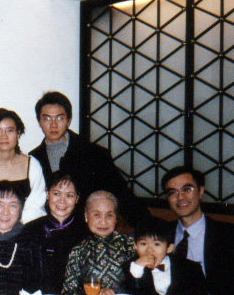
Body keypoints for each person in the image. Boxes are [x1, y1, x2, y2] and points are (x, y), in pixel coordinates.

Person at [28, 91, 149, 228]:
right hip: (51, 230)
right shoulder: (33, 158)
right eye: (47, 119)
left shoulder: (94, 153)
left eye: (60, 118)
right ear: (39, 122)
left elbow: (122, 194)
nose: (53, 125)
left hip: (89, 229)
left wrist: (148, 228)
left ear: (68, 121)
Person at [161, 166, 234, 295]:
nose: (180, 197)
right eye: (172, 192)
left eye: (187, 189)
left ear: (201, 191)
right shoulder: (162, 234)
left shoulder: (233, 237)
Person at [23, 171, 89, 294]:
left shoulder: (85, 233)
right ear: (47, 194)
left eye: (69, 195)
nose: (62, 201)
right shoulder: (30, 230)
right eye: (56, 194)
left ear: (77, 198)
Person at [123, 217, 208, 295]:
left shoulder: (190, 268)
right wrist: (137, 269)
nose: (149, 250)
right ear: (135, 246)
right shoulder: (130, 267)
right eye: (143, 244)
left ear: (169, 248)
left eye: (156, 244)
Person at [62, 190, 135, 295]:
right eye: (96, 215)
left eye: (109, 215)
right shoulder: (78, 250)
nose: (103, 221)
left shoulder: (130, 245)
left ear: (116, 218)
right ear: (86, 215)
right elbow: (68, 293)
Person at [0, 108, 46, 223]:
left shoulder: (32, 164)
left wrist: (17, 223)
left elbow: (37, 202)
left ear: (18, 134)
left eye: (9, 130)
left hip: (29, 224)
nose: (4, 136)